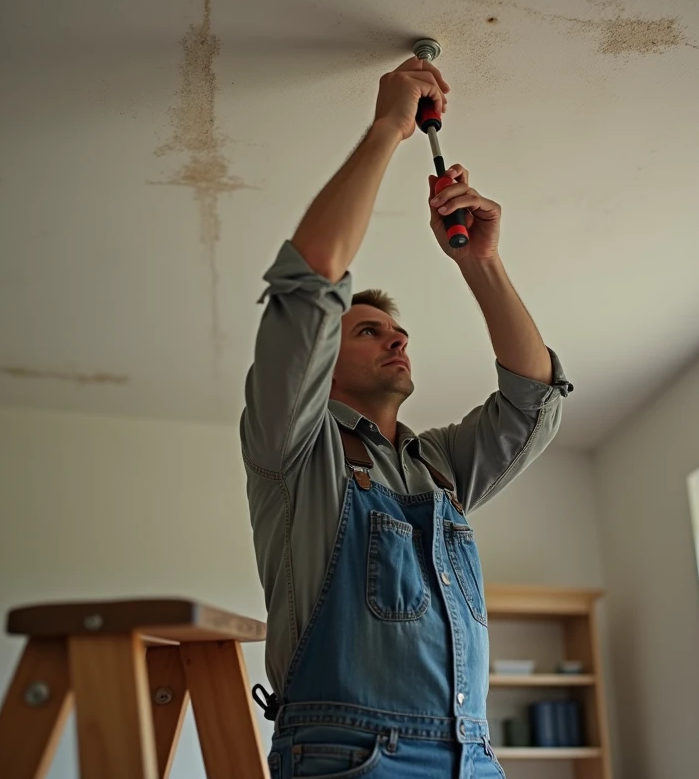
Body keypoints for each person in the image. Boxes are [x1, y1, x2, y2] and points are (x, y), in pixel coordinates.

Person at [241, 56, 573, 778]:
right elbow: (314, 274)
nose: (397, 338)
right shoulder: (296, 448)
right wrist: (390, 126)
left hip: (474, 759)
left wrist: (481, 264)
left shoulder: (439, 465)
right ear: (319, 364)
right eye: (367, 331)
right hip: (351, 758)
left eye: (397, 333)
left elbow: (532, 402)